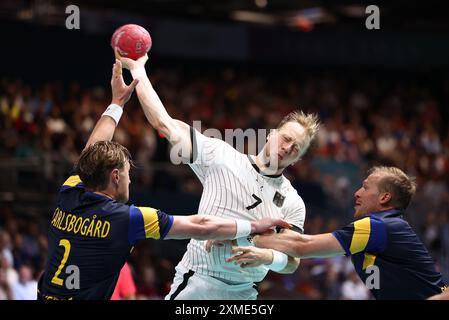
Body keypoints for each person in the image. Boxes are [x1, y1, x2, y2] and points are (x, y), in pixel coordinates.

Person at [37, 60, 289, 300]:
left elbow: (89, 153)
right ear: (115, 176)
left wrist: (116, 103)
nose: (130, 180)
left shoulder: (71, 191)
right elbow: (201, 225)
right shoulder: (128, 218)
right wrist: (253, 226)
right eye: (127, 173)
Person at [117, 53, 319, 300]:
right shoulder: (221, 156)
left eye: (296, 148)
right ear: (271, 134)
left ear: (297, 159)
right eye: (286, 138)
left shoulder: (293, 202)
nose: (288, 147)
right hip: (199, 282)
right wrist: (138, 70)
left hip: (244, 294)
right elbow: (164, 124)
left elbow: (291, 261)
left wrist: (265, 256)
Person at [228, 166, 447, 299]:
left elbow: (302, 247)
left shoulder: (379, 226)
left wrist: (246, 232)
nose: (357, 193)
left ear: (384, 198)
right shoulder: (383, 231)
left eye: (366, 187)